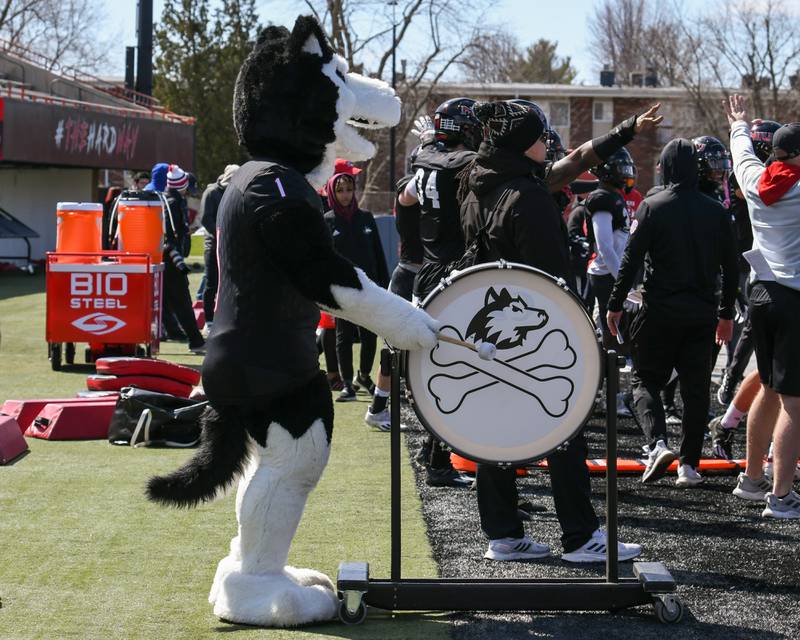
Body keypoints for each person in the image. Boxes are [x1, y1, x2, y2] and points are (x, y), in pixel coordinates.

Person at [461, 99, 643, 563]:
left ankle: (503, 534)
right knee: (566, 427)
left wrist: (621, 131)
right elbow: (551, 283)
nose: (547, 145)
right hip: (533, 332)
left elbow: (577, 159)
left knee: (493, 429)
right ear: (524, 143)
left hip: (486, 329)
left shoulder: (478, 184)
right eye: (541, 138)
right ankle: (581, 538)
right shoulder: (528, 196)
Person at [606, 138, 738, 487]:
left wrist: (615, 304)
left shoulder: (653, 205)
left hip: (659, 311)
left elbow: (630, 261)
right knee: (696, 391)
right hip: (702, 314)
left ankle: (657, 444)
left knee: (644, 380)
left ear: (664, 168)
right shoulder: (716, 210)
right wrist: (726, 315)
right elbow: (731, 266)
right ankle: (689, 465)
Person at [723, 94, 800, 518]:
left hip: (760, 294)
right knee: (795, 400)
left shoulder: (754, 180)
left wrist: (737, 123)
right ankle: (782, 495)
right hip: (793, 298)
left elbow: (742, 152)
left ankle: (752, 480)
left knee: (769, 387)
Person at [323, 171, 389, 401]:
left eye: (349, 190)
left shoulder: (366, 218)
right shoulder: (328, 220)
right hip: (342, 288)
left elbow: (378, 254)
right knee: (344, 336)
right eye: (340, 190)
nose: (345, 195)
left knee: (369, 334)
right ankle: (348, 384)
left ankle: (364, 376)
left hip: (368, 287)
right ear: (333, 192)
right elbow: (323, 258)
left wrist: (383, 284)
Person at [365, 175, 423, 431]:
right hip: (409, 277)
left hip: (415, 275)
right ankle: (377, 409)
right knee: (392, 351)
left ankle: (381, 407)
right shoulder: (409, 198)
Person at [584, 149, 634, 348]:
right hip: (606, 274)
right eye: (620, 168)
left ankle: (613, 368)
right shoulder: (602, 198)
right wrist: (623, 282)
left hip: (612, 272)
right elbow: (605, 248)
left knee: (619, 328)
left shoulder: (611, 195)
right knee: (612, 328)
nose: (625, 173)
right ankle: (607, 372)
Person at [162, 164, 206, 354]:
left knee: (174, 301)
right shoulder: (172, 202)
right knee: (182, 301)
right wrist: (178, 259)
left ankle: (189, 337)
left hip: (170, 258)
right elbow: (169, 236)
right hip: (172, 259)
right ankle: (196, 341)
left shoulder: (173, 200)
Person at [199, 164, 240, 335]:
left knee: (231, 284)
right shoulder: (211, 192)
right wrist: (220, 234)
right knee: (211, 283)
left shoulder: (236, 192)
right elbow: (205, 219)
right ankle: (208, 321)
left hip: (232, 245)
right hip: (213, 245)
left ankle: (227, 318)